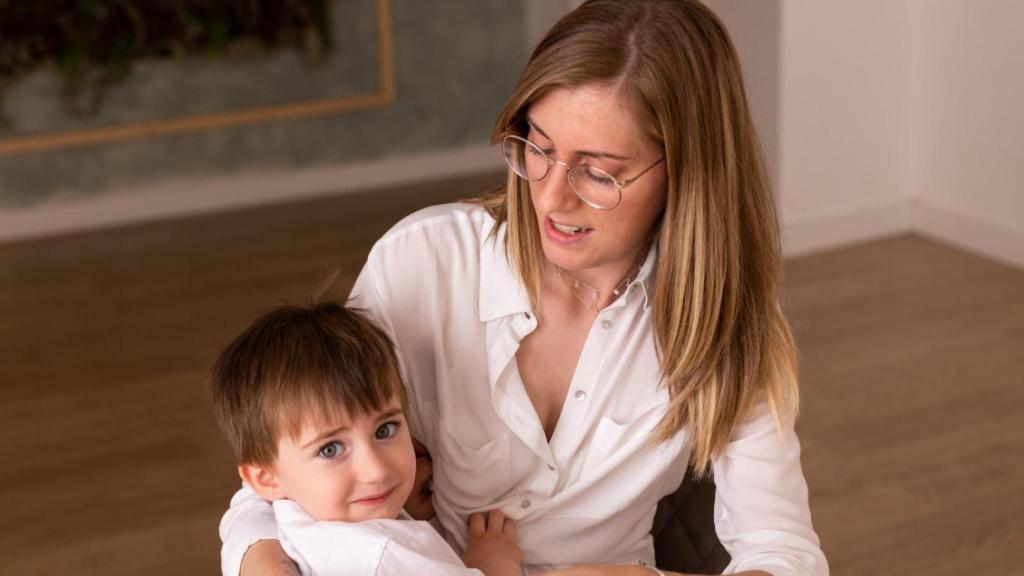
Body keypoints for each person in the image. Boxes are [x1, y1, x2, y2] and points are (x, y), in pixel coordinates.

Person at [221, 0, 829, 574]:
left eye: (599, 172)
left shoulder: (726, 322)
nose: (550, 195)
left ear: (689, 173)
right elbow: (288, 463)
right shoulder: (424, 263)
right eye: (537, 147)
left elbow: (782, 547)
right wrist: (265, 562)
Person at [209, 298, 523, 576]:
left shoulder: (294, 511)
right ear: (265, 479)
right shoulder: (386, 556)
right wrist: (492, 564)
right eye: (331, 449)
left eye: (384, 430)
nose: (376, 470)